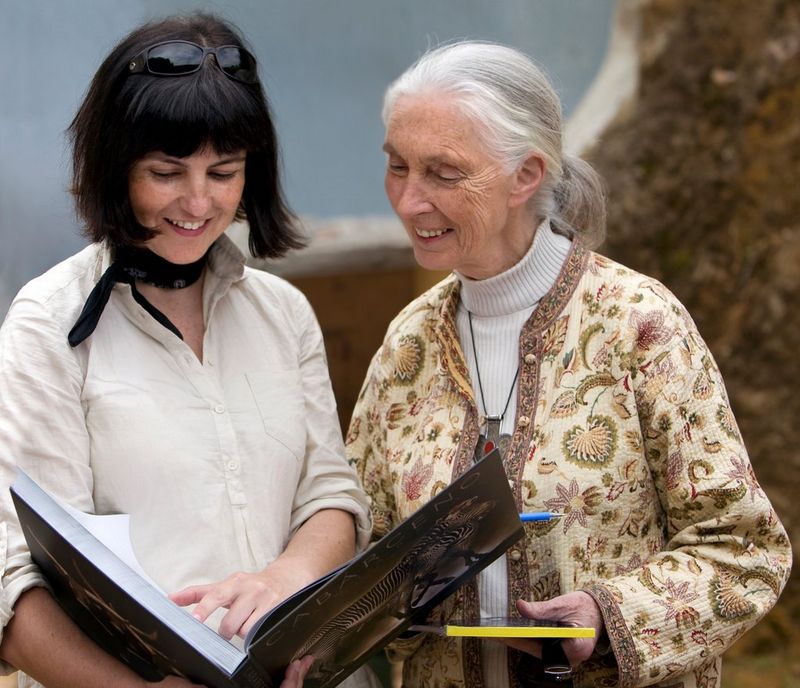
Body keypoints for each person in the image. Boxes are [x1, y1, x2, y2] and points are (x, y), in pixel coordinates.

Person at [346, 41, 792, 687]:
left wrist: (608, 618)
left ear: (526, 174)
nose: (410, 201)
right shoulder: (407, 344)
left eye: (443, 173)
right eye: (397, 167)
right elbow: (365, 546)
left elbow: (744, 549)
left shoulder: (638, 321)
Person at [0, 13, 372, 688]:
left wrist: (286, 582)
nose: (198, 202)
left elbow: (330, 494)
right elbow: (15, 574)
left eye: (223, 171)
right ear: (116, 169)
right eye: (167, 172)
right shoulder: (45, 323)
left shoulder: (283, 313)